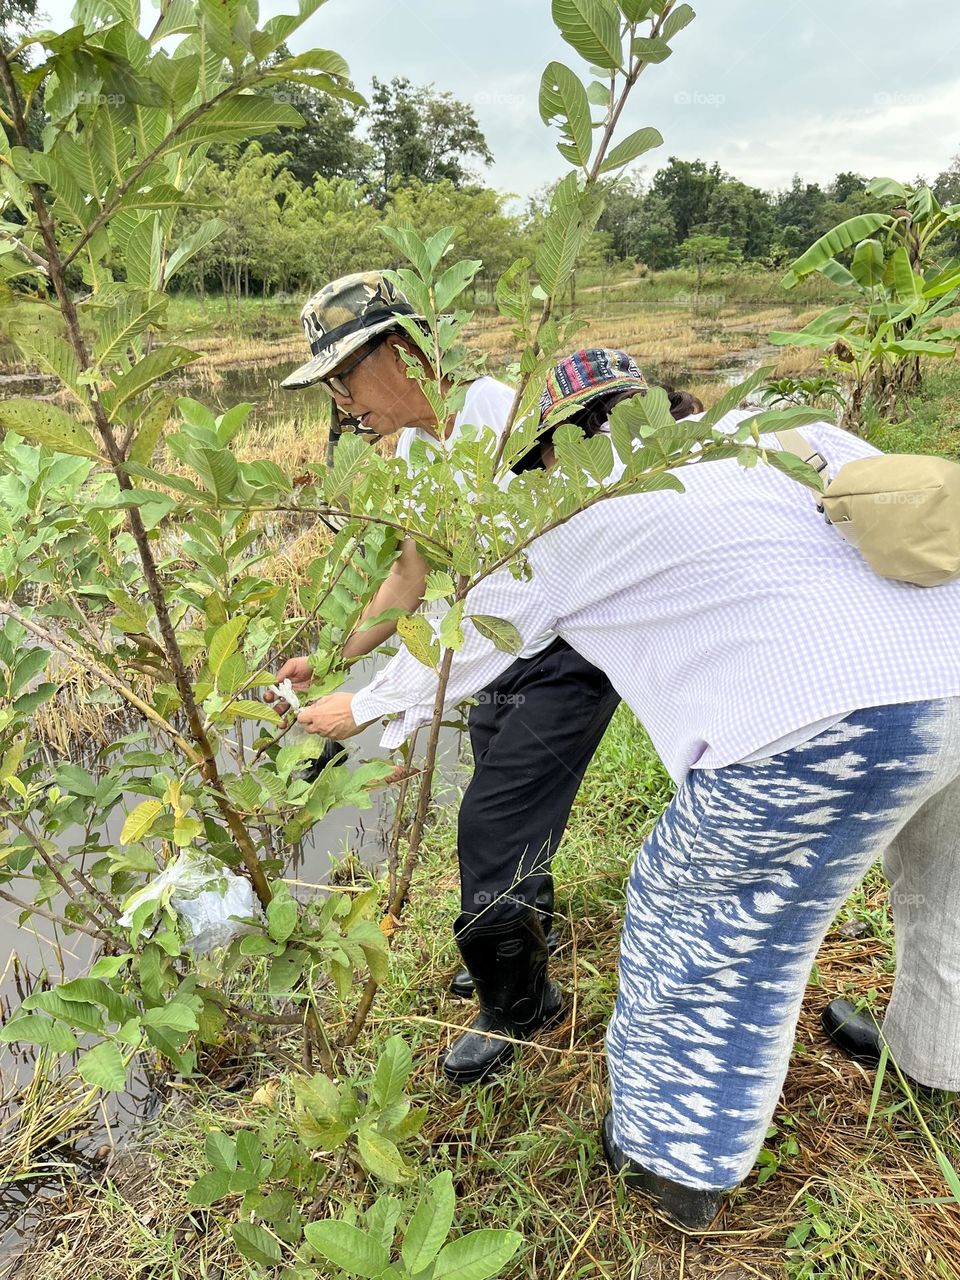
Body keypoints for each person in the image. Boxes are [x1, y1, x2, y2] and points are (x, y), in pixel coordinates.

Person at [297, 354, 960, 1229]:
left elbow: (470, 641)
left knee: (700, 919)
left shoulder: (573, 512)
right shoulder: (767, 437)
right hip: (949, 669)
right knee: (946, 887)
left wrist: (358, 704)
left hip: (825, 725)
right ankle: (936, 1059)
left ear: (551, 445)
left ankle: (674, 1157)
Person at [272, 276, 625, 1084]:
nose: (339, 402)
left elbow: (511, 595)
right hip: (505, 649)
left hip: (568, 648)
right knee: (508, 796)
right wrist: (330, 659)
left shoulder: (507, 424)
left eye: (342, 377)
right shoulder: (426, 447)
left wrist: (365, 704)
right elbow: (411, 575)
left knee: (491, 825)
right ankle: (521, 943)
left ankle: (523, 1009)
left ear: (399, 354)